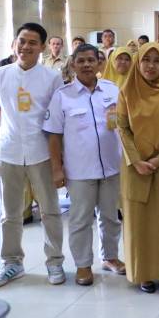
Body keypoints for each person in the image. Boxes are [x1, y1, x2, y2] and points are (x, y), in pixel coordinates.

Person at [45, 43, 126, 286]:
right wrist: (57, 169)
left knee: (110, 217)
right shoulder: (63, 96)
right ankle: (83, 265)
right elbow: (53, 135)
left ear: (99, 62)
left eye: (91, 60)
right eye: (81, 61)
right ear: (73, 64)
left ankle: (110, 257)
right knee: (80, 220)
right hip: (79, 170)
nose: (87, 65)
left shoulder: (112, 90)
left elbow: (124, 125)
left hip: (111, 166)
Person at [0, 23, 65, 287]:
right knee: (10, 213)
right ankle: (12, 263)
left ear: (42, 47)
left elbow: (57, 121)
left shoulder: (52, 78)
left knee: (50, 210)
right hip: (9, 151)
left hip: (41, 152)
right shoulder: (1, 75)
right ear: (15, 43)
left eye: (32, 42)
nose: (25, 47)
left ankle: (55, 261)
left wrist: (59, 162)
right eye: (22, 41)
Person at [117, 43, 159, 293]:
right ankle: (143, 273)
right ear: (138, 62)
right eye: (146, 60)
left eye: (157, 60)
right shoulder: (127, 90)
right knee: (139, 223)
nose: (151, 66)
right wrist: (136, 160)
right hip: (135, 168)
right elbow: (122, 127)